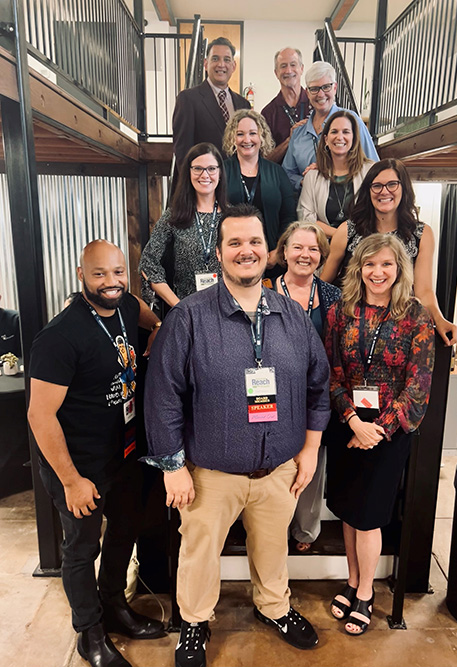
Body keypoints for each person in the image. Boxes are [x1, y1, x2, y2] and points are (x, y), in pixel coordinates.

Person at [143, 204, 331, 667]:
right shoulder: (188, 318)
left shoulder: (293, 317)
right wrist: (171, 468)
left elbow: (318, 387)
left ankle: (275, 608)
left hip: (279, 472)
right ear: (219, 253)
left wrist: (308, 452)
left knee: (273, 548)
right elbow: (163, 396)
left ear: (269, 253)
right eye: (234, 243)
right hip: (210, 473)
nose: (245, 251)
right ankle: (193, 622)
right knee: (200, 551)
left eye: (254, 242)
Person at [28, 240, 164, 667]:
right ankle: (89, 631)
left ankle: (114, 607)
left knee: (126, 529)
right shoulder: (60, 336)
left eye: (118, 272)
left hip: (122, 455)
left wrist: (157, 330)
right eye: (100, 274)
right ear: (81, 274)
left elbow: (147, 313)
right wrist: (71, 480)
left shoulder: (125, 306)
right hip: (78, 466)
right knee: (82, 548)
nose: (111, 282)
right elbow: (40, 415)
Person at [324, 233, 435, 635]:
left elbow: (419, 384)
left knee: (369, 515)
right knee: (350, 510)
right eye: (370, 264)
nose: (378, 272)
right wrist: (353, 421)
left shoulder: (415, 315)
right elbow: (331, 371)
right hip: (347, 426)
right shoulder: (340, 312)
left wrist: (379, 429)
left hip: (389, 431)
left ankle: (367, 593)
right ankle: (352, 582)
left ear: (399, 268)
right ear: (359, 268)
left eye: (387, 264)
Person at [321, 157, 457, 345]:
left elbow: (424, 290)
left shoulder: (421, 234)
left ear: (404, 188)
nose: (384, 191)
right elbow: (323, 283)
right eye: (377, 186)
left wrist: (440, 319)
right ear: (368, 191)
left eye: (392, 184)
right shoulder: (347, 230)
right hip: (350, 327)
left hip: (395, 329)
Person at [274, 221, 340, 552]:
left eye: (313, 249)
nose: (305, 254)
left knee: (314, 462)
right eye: (297, 247)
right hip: (273, 394)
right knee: (273, 464)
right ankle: (272, 526)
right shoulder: (263, 290)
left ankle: (305, 530)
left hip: (317, 394)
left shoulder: (332, 296)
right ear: (283, 251)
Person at [139, 142, 227, 309]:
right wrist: (178, 306)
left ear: (220, 173)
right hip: (187, 311)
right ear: (188, 172)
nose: (205, 174)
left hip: (226, 311)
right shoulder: (174, 216)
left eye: (211, 168)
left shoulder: (232, 217)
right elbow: (148, 262)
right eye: (198, 168)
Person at [282, 61, 378, 193]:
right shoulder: (298, 133)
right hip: (308, 207)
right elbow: (286, 173)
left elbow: (374, 168)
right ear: (307, 92)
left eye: (326, 87)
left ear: (335, 88)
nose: (320, 94)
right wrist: (306, 181)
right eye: (314, 89)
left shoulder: (353, 121)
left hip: (349, 206)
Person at [222, 109, 295, 276]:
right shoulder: (222, 172)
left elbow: (289, 216)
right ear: (232, 138)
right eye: (240, 134)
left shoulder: (277, 173)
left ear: (261, 137)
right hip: (233, 259)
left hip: (271, 260)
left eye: (252, 133)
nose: (247, 140)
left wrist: (278, 251)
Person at [172, 37, 250, 171]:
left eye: (226, 59)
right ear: (205, 63)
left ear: (233, 66)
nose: (221, 64)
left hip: (237, 184)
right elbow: (183, 151)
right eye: (215, 59)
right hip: (204, 182)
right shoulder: (188, 99)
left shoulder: (244, 105)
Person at [298, 110, 374, 238]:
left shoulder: (370, 171)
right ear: (326, 139)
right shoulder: (312, 176)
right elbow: (305, 217)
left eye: (345, 132)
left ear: (354, 138)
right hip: (325, 246)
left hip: (363, 245)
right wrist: (340, 236)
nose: (340, 137)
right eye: (334, 132)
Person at [261, 47, 312, 164]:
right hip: (280, 179)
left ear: (301, 68)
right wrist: (289, 140)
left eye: (293, 65)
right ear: (276, 73)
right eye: (283, 66)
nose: (289, 71)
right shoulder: (268, 113)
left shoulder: (315, 105)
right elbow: (265, 159)